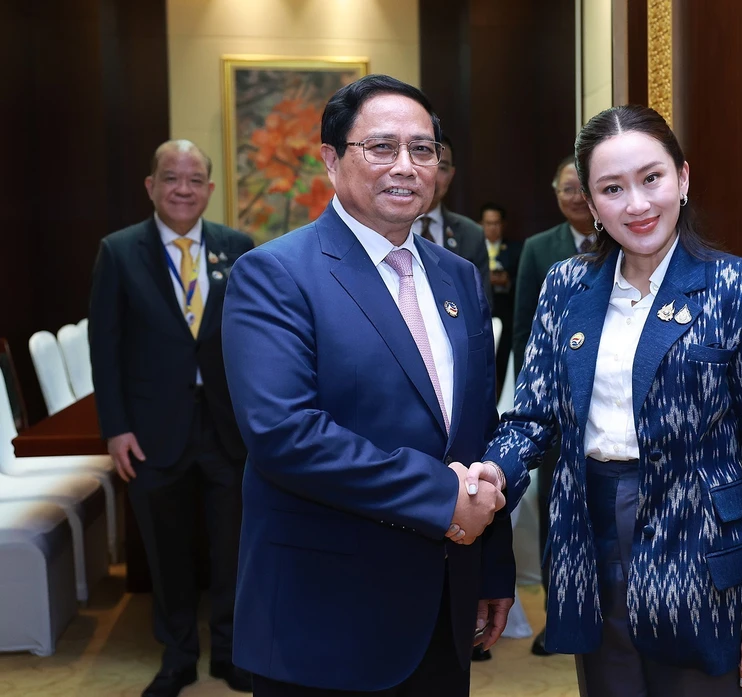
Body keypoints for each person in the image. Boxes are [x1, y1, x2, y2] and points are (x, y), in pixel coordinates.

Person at [458, 105, 742, 696]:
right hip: (587, 538)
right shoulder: (566, 286)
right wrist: (492, 472)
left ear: (684, 178)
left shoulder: (739, 287)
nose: (638, 205)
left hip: (704, 554)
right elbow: (533, 415)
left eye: (652, 179)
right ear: (591, 205)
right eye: (612, 189)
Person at [221, 74, 513, 697]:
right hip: (327, 615)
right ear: (331, 159)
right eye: (381, 147)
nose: (405, 167)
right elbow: (286, 435)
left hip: (443, 604)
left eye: (423, 149)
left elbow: (476, 431)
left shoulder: (460, 277)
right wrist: (443, 497)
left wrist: (491, 567)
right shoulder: (274, 274)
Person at [89, 140, 254, 697]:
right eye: (171, 178)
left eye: (194, 179)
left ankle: (231, 654)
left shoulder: (238, 248)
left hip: (228, 430)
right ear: (151, 185)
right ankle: (179, 654)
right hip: (151, 432)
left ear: (210, 188)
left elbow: (255, 344)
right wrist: (115, 427)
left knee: (233, 548)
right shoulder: (118, 251)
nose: (183, 189)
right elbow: (104, 349)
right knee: (166, 548)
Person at [510, 154, 595, 656]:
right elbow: (525, 331)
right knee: (552, 512)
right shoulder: (541, 250)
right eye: (566, 189)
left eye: (583, 189)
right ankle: (556, 614)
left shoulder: (622, 241)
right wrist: (541, 398)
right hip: (555, 412)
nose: (576, 198)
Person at [411, 135, 492, 306]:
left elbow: (482, 304)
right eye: (425, 163)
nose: (434, 176)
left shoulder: (472, 234)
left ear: (452, 174)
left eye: (442, 168)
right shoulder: (385, 227)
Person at [480, 202, 521, 401]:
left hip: (506, 312)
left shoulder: (515, 249)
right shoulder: (475, 247)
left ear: (502, 225)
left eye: (496, 223)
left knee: (504, 359)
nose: (492, 228)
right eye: (488, 223)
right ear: (481, 225)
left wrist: (506, 280)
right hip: (481, 312)